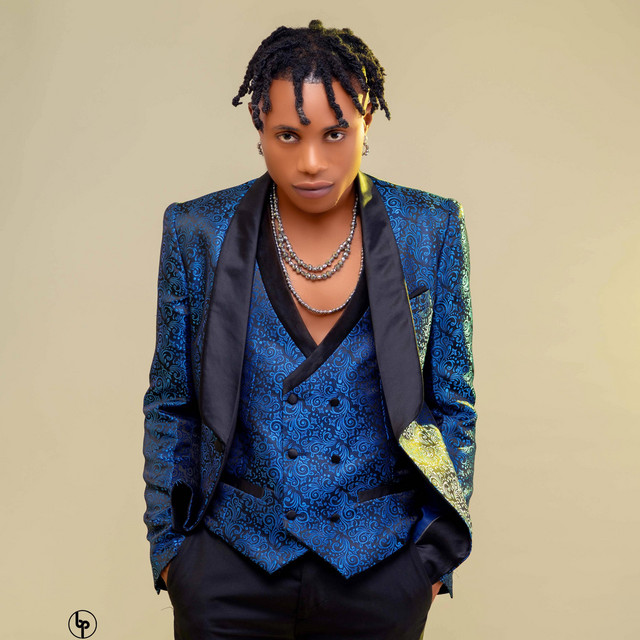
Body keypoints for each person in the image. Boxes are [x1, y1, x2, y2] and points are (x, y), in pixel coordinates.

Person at [143, 19, 477, 640]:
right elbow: (171, 402)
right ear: (259, 127)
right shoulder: (197, 232)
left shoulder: (430, 228)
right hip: (230, 566)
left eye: (335, 133)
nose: (312, 162)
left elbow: (452, 400)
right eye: (288, 136)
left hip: (380, 569)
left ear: (367, 119)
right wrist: (173, 554)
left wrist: (429, 561)